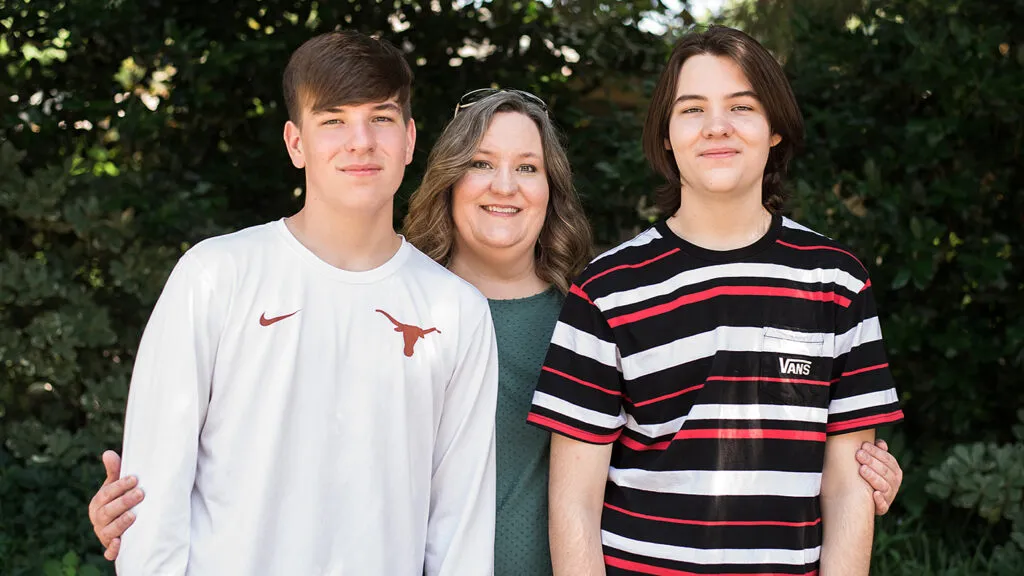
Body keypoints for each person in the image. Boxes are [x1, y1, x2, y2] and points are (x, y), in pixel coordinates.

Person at [90, 87, 906, 572]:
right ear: (446, 178)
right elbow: (280, 445)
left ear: (552, 188)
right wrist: (149, 511)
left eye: (528, 168)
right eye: (481, 163)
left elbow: (694, 447)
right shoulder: (382, 300)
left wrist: (852, 477)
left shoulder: (594, 312)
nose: (504, 187)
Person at [110, 31, 498, 575]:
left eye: (381, 118)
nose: (360, 141)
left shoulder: (456, 311)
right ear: (296, 143)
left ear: (410, 140)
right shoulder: (216, 276)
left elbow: (460, 529)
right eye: (333, 120)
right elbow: (151, 505)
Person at [527, 25, 904, 576]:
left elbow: (850, 491)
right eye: (693, 109)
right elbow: (573, 503)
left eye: (741, 106)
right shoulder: (606, 289)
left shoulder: (837, 283)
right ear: (666, 135)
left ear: (775, 128)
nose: (717, 127)